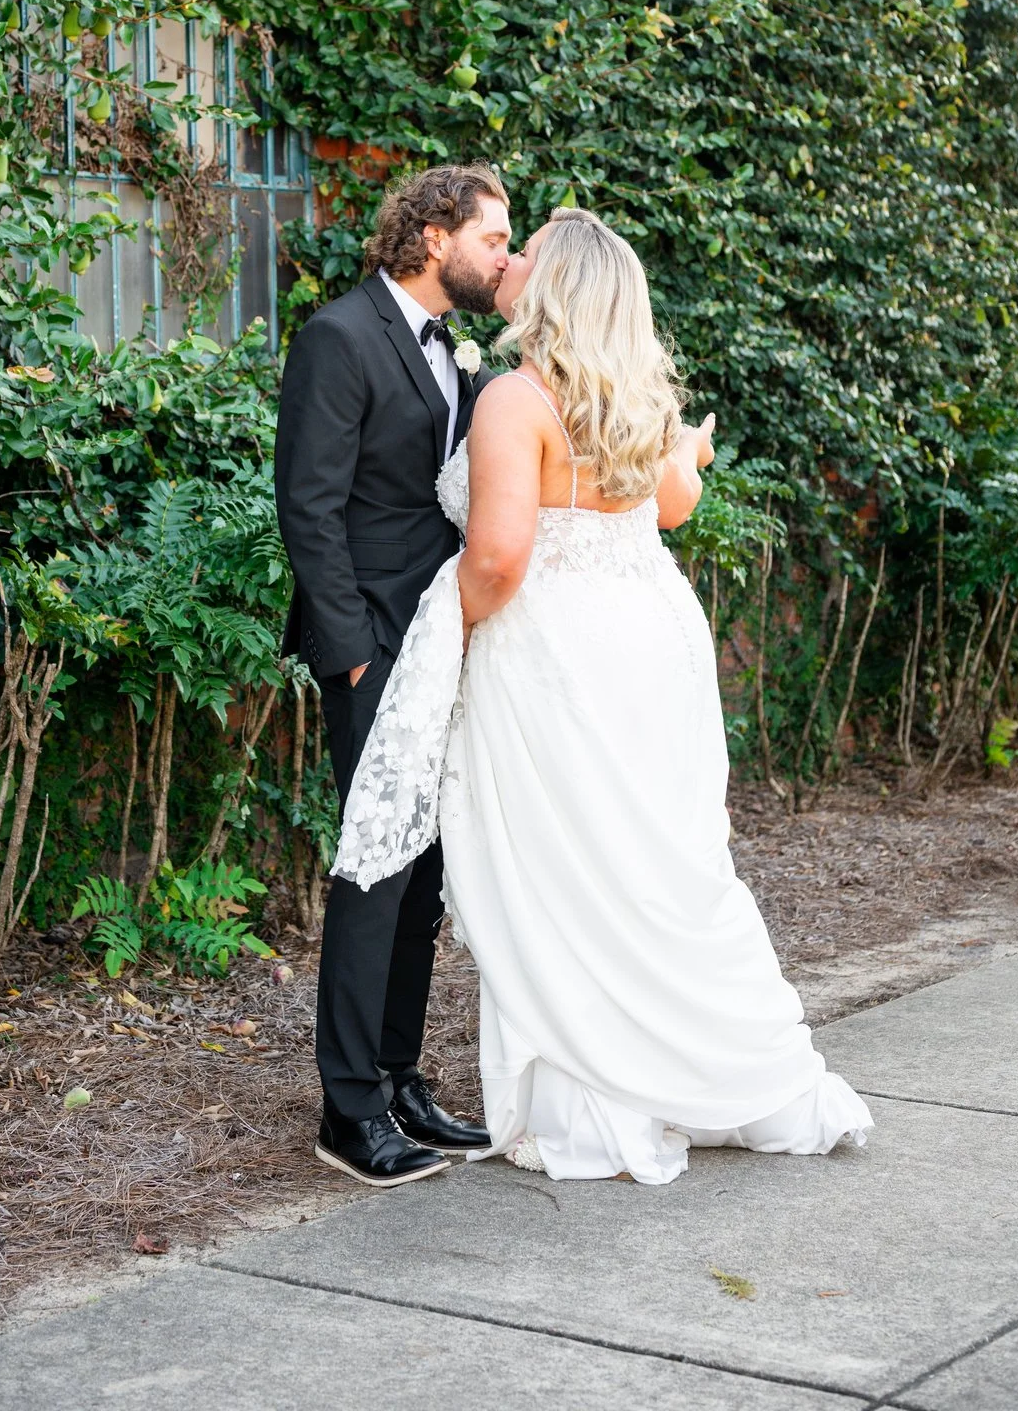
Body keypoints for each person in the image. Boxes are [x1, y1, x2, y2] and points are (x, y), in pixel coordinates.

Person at [335, 207, 872, 1184]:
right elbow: (672, 503)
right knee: (656, 862)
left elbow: (497, 558)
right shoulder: (638, 394)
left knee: (566, 870)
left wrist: (434, 622)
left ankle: (596, 1093)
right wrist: (694, 454)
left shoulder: (517, 398)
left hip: (556, 648)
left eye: (527, 248)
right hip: (655, 642)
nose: (514, 256)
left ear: (555, 285)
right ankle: (711, 1068)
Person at [274, 162, 511, 1186]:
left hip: (443, 639)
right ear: (431, 233)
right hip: (375, 644)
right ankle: (348, 1107)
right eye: (495, 237)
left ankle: (400, 1074)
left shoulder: (450, 348)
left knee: (425, 873)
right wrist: (354, 650)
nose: (503, 256)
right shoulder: (337, 336)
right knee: (375, 869)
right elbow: (309, 509)